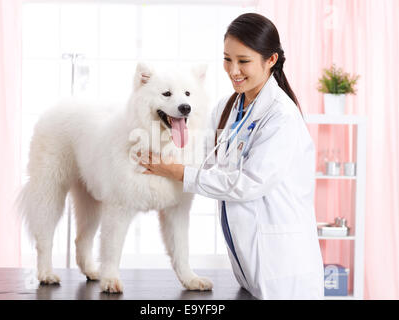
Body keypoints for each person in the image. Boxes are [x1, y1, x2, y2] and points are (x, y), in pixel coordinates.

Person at [139, 13, 324, 300]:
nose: (233, 70)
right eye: (227, 59)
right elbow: (202, 161)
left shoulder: (281, 117)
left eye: (244, 61)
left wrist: (174, 171)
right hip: (247, 264)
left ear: (271, 60)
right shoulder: (227, 107)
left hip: (283, 270)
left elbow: (246, 185)